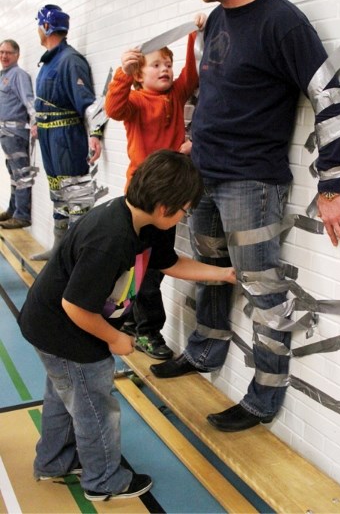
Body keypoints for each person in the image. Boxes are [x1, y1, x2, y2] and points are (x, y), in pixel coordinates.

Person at [151, 0, 340, 432]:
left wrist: (332, 184)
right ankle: (205, 351)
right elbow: (215, 92)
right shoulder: (219, 21)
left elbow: (333, 102)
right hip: (202, 177)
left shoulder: (282, 22)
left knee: (264, 291)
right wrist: (192, 139)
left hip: (251, 184)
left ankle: (264, 396)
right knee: (213, 268)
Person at [18, 149, 236, 501]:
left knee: (64, 393)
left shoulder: (151, 224)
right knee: (94, 406)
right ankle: (104, 481)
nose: (186, 215)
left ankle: (53, 462)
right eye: (184, 210)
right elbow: (74, 305)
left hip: (60, 324)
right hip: (61, 328)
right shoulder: (111, 237)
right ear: (165, 207)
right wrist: (116, 338)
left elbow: (168, 262)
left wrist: (223, 273)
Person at [105, 15, 205, 359]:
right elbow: (113, 107)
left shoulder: (176, 94)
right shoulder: (135, 102)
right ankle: (147, 331)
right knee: (143, 269)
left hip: (169, 196)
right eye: (155, 65)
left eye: (168, 64)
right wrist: (122, 72)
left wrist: (195, 35)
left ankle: (134, 321)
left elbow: (191, 75)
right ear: (139, 75)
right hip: (144, 198)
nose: (165, 70)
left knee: (154, 265)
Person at [31, 4, 104, 260]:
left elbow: (88, 103)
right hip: (50, 139)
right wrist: (38, 121)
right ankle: (59, 250)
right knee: (58, 194)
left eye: (39, 25)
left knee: (75, 196)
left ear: (47, 26)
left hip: (66, 138)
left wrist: (96, 134)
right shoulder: (49, 62)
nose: (38, 30)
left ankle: (73, 260)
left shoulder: (70, 61)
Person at [0, 39, 35, 229]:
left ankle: (22, 215)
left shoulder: (18, 75)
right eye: (1, 52)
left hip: (15, 133)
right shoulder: (3, 75)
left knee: (21, 173)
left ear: (17, 55)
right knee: (13, 172)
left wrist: (36, 122)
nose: (4, 56)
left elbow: (29, 100)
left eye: (8, 53)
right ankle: (13, 210)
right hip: (5, 133)